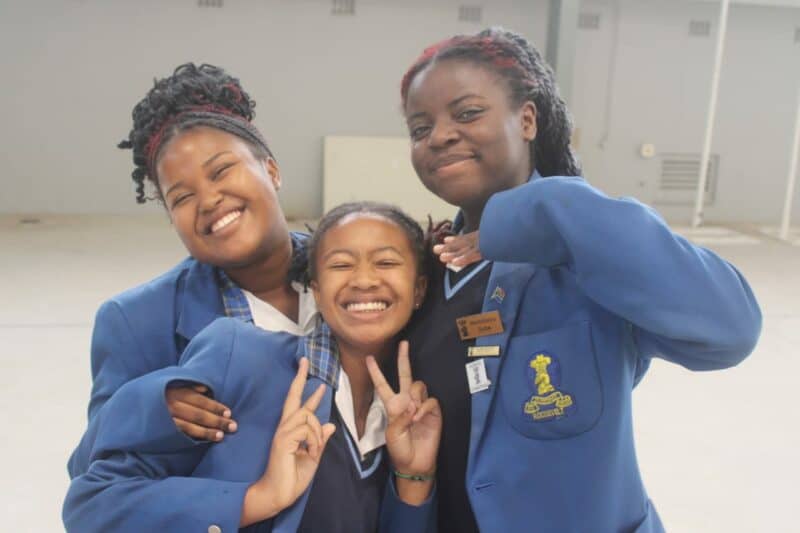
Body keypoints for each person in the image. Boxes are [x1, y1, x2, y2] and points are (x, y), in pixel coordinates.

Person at [397, 27, 762, 533]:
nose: (439, 136)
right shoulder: (426, 273)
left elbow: (731, 329)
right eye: (420, 128)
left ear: (526, 119)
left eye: (467, 113)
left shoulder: (595, 258)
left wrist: (545, 208)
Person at [64, 202, 440, 532]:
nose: (364, 280)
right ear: (317, 290)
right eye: (341, 264)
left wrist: (414, 476)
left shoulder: (413, 407)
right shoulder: (242, 354)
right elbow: (94, 504)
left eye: (387, 262)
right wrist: (258, 498)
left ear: (419, 289)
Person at [68, 63, 313, 476]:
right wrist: (148, 406)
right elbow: (90, 472)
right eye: (182, 197)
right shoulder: (135, 322)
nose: (209, 200)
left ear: (271, 170)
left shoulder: (359, 266)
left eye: (221, 171)